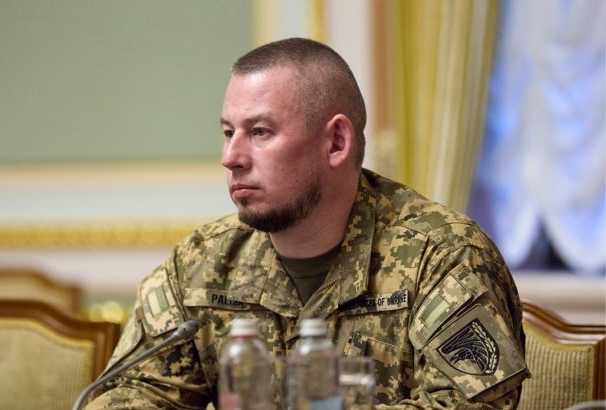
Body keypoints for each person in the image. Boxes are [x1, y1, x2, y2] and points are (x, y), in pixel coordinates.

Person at [84, 38, 529, 409]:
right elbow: (128, 395)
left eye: (260, 132)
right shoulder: (201, 262)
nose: (231, 158)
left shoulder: (442, 256)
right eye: (228, 132)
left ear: (335, 142)